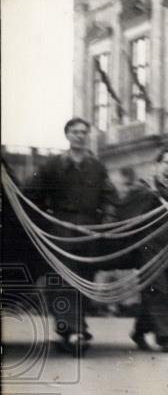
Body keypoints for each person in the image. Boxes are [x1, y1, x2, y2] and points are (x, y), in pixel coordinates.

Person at [25, 117, 118, 353]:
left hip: (88, 230)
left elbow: (109, 196)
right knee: (64, 279)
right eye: (75, 132)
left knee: (84, 279)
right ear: (67, 135)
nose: (80, 135)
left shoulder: (97, 167)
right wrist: (45, 219)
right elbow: (31, 194)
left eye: (84, 132)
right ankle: (73, 330)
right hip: (60, 229)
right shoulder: (52, 166)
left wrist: (107, 218)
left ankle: (73, 328)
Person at [119, 146, 168, 353]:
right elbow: (129, 216)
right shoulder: (143, 188)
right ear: (157, 165)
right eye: (167, 163)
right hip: (148, 247)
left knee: (153, 291)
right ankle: (164, 338)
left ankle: (139, 331)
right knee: (159, 288)